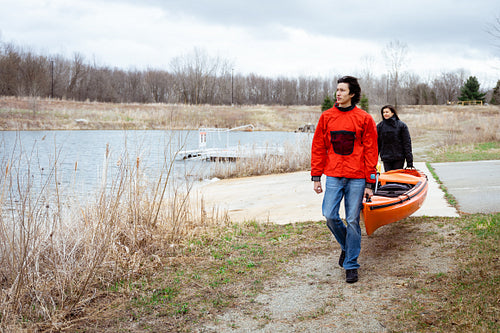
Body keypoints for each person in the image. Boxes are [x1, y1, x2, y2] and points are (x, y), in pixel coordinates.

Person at [311, 76, 378, 283]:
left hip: (357, 178)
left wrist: (370, 182)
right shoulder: (327, 117)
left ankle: (351, 264)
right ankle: (347, 247)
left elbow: (371, 151)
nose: (337, 94)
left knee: (352, 220)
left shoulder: (364, 119)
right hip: (333, 175)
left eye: (342, 90)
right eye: (337, 90)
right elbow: (318, 147)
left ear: (352, 94)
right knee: (329, 215)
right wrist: (316, 176)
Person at [377, 105, 414, 172]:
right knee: (388, 178)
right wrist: (374, 159)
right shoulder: (380, 126)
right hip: (386, 158)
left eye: (387, 112)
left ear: (392, 113)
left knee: (397, 179)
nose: (385, 114)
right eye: (383, 112)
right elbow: (377, 144)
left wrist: (409, 162)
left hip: (399, 158)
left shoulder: (402, 126)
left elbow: (407, 144)